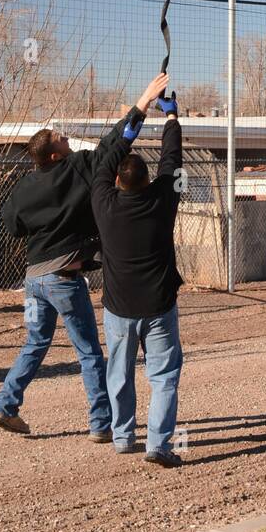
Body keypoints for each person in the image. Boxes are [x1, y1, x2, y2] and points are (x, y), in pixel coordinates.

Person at [0, 72, 169, 437]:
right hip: (63, 279)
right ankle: (102, 424)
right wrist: (143, 102)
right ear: (55, 154)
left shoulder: (24, 185)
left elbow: (12, 226)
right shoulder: (76, 167)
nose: (66, 136)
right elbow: (113, 147)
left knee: (36, 342)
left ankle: (5, 406)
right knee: (88, 351)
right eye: (60, 137)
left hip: (33, 280)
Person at [91, 90, 184, 468]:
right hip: (159, 305)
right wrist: (172, 118)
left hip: (119, 308)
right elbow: (172, 161)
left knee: (120, 372)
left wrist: (141, 109)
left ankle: (123, 435)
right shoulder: (164, 198)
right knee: (163, 377)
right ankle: (158, 446)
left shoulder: (103, 200)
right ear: (148, 180)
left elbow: (105, 158)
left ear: (117, 180)